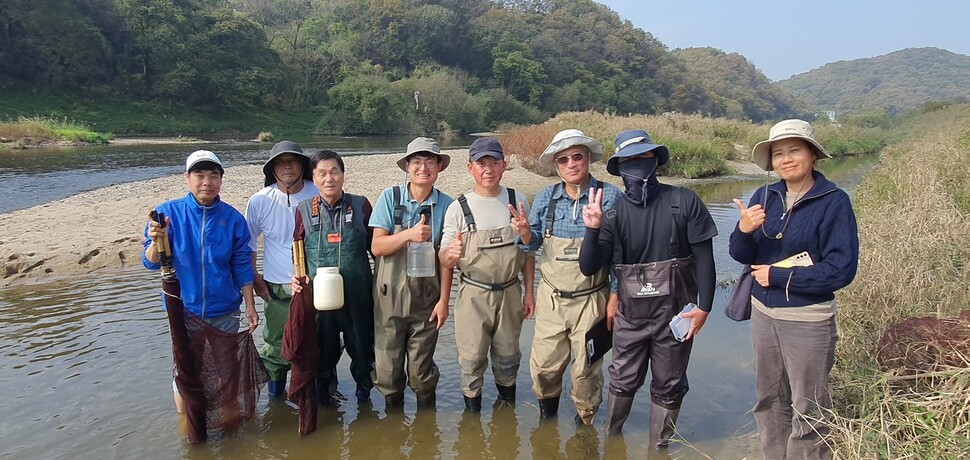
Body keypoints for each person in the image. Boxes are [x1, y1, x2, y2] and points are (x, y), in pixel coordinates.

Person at [579, 129, 716, 448]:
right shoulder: (612, 214)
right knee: (623, 379)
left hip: (678, 316)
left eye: (643, 157)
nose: (638, 166)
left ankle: (659, 447)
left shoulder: (685, 202)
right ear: (619, 166)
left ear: (655, 159)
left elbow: (706, 259)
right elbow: (589, 266)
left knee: (669, 385)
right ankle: (611, 441)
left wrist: (705, 307)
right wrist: (592, 228)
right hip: (630, 317)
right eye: (630, 160)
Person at [730, 119, 858, 459]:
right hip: (763, 314)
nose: (786, 159)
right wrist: (743, 230)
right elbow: (741, 255)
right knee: (769, 398)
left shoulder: (833, 202)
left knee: (809, 404)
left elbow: (842, 270)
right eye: (778, 153)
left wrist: (780, 277)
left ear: (812, 154)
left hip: (808, 319)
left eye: (794, 150)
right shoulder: (764, 195)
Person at [515, 129, 622, 425]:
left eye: (577, 156)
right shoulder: (547, 197)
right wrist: (525, 233)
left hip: (593, 299)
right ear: (556, 165)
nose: (571, 163)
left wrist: (615, 296)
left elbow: (620, 255)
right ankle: (547, 421)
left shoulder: (611, 196)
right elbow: (533, 242)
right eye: (563, 159)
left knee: (585, 371)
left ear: (588, 158)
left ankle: (584, 425)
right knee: (543, 368)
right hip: (551, 298)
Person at [142, 150, 258, 413]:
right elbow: (150, 261)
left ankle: (230, 426)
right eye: (200, 175)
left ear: (221, 180)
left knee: (226, 371)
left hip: (225, 312)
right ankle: (188, 426)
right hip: (184, 312)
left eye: (213, 176)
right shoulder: (167, 213)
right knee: (185, 374)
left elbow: (241, 266)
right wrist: (158, 237)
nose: (207, 182)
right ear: (187, 178)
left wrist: (250, 306)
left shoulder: (232, 219)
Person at [439, 137, 536, 412]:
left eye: (495, 162)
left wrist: (530, 292)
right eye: (482, 163)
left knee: (509, 358)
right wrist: (451, 254)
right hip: (472, 295)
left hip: (510, 293)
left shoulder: (518, 202)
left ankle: (507, 412)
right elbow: (444, 258)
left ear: (504, 166)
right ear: (471, 168)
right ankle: (472, 421)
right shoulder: (458, 208)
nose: (489, 169)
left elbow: (529, 251)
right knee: (471, 361)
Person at [369, 137, 454, 408]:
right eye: (416, 161)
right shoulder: (389, 197)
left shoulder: (448, 205)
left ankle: (426, 433)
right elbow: (377, 246)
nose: (423, 167)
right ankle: (392, 432)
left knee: (421, 374)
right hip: (388, 300)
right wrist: (408, 235)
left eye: (430, 161)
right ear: (407, 166)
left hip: (426, 301)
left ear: (439, 166)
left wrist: (444, 301)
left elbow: (446, 260)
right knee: (388, 373)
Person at [291, 150, 376, 404]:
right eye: (322, 173)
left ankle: (365, 398)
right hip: (321, 303)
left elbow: (377, 249)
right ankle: (325, 400)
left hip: (358, 299)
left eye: (334, 172)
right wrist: (296, 279)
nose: (329, 178)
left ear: (343, 175)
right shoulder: (304, 211)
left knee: (362, 351)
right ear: (313, 179)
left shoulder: (361, 205)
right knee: (322, 354)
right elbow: (297, 254)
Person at [245, 140, 318, 398]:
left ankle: (317, 394)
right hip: (276, 285)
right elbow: (250, 243)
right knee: (276, 345)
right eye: (280, 162)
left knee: (317, 340)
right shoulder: (259, 201)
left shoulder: (317, 192)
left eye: (293, 161)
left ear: (302, 166)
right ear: (272, 169)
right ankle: (277, 401)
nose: (287, 166)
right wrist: (255, 277)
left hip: (314, 283)